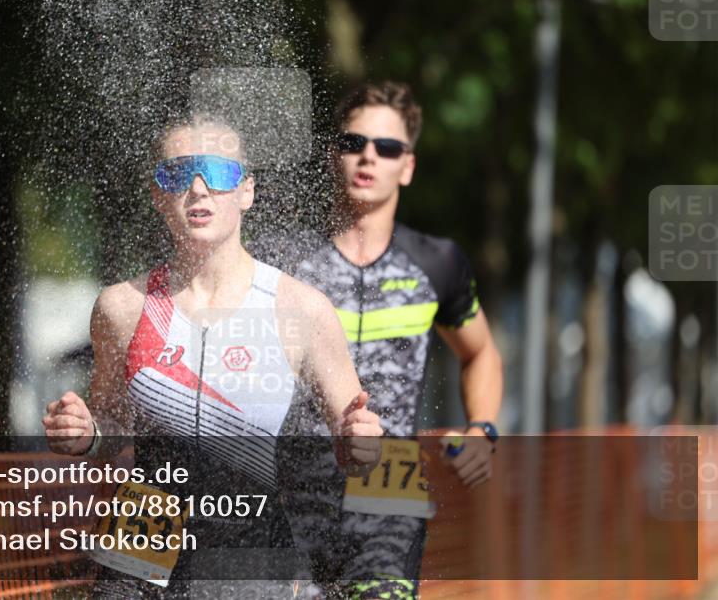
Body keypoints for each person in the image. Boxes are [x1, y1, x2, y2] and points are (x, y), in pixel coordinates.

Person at [43, 114, 384, 598]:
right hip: (142, 530)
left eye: (219, 174)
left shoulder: (300, 308)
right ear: (159, 194)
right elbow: (111, 425)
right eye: (178, 174)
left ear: (246, 190)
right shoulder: (122, 307)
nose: (199, 190)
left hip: (247, 544)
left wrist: (362, 442)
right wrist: (83, 432)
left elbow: (356, 454)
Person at [250, 81, 505, 599]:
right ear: (332, 154)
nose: (369, 156)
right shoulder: (278, 259)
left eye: (387, 148)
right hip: (293, 494)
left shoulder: (438, 262)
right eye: (353, 143)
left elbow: (480, 353)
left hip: (391, 493)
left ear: (407, 166)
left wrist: (482, 428)